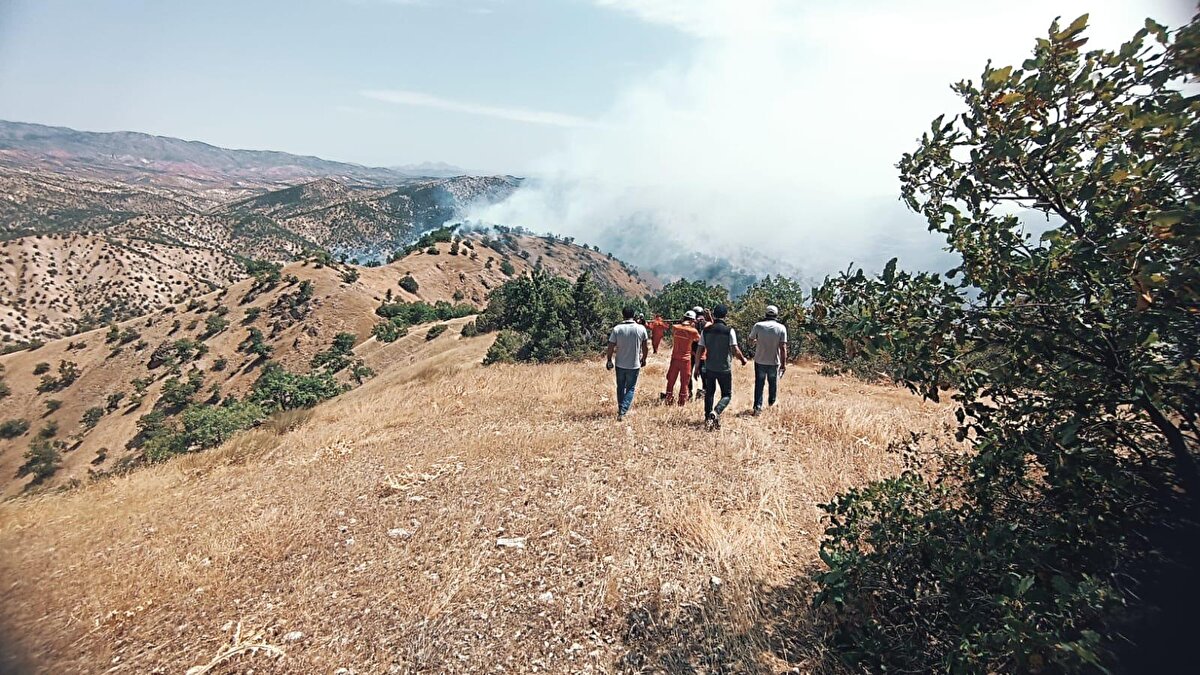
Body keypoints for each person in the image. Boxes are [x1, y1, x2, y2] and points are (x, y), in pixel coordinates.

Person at [693, 304, 747, 430]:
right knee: (726, 395)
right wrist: (743, 359)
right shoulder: (729, 331)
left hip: (709, 367)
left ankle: (707, 417)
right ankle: (716, 411)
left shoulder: (706, 331)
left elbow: (700, 349)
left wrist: (696, 367)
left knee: (709, 393)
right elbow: (734, 349)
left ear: (714, 314)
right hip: (724, 368)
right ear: (725, 315)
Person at [606, 306, 649, 421]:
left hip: (620, 364)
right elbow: (645, 347)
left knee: (620, 387)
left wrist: (609, 360)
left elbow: (610, 346)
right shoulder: (641, 329)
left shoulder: (617, 329)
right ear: (633, 315)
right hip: (634, 364)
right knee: (630, 388)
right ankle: (623, 410)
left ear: (623, 315)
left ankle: (621, 407)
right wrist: (644, 359)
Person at [747, 305, 788, 415]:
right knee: (773, 384)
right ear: (776, 315)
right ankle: (771, 403)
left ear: (765, 314)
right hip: (774, 362)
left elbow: (750, 340)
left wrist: (756, 342)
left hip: (760, 360)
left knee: (759, 384)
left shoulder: (758, 326)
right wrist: (783, 364)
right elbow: (783, 348)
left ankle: (757, 407)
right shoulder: (781, 328)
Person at [662, 310, 700, 405]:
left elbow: (678, 327)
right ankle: (681, 402)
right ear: (692, 320)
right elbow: (698, 339)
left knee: (671, 380)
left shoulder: (675, 328)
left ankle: (668, 399)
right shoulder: (693, 331)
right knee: (684, 382)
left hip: (674, 358)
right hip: (686, 360)